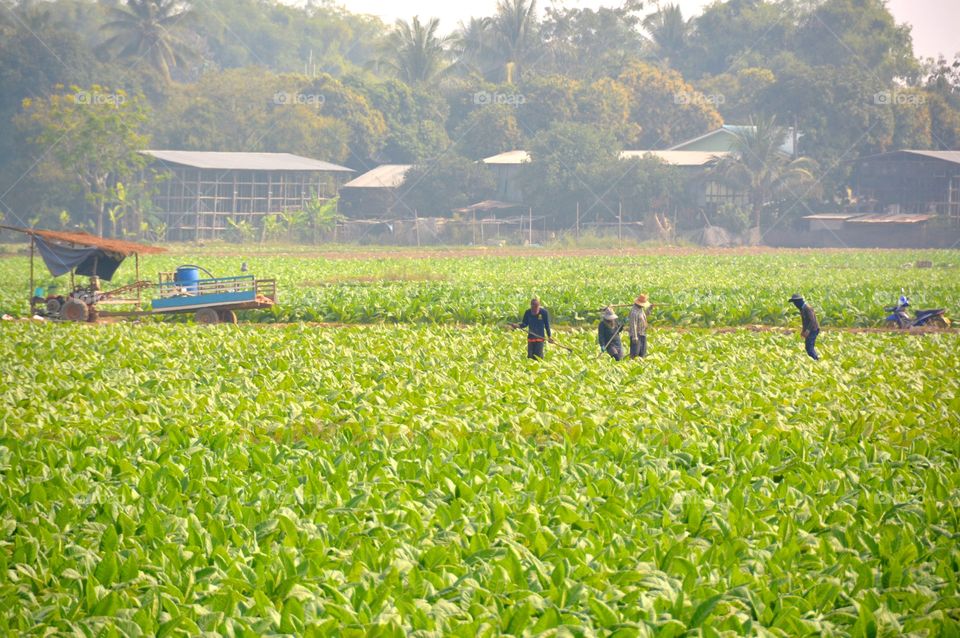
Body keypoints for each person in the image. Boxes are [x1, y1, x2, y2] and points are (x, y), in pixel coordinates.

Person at [789, 293, 820, 360]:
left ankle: (816, 359)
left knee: (809, 347)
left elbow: (812, 320)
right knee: (808, 347)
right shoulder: (802, 308)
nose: (795, 304)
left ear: (799, 301)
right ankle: (815, 359)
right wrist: (803, 331)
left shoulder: (807, 308)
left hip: (813, 329)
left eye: (795, 302)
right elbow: (805, 321)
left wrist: (807, 331)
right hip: (810, 329)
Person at [627, 294, 651, 358]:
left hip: (642, 333)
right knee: (635, 353)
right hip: (636, 334)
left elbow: (645, 316)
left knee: (642, 352)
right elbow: (633, 325)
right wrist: (634, 337)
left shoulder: (640, 310)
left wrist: (650, 309)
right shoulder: (634, 312)